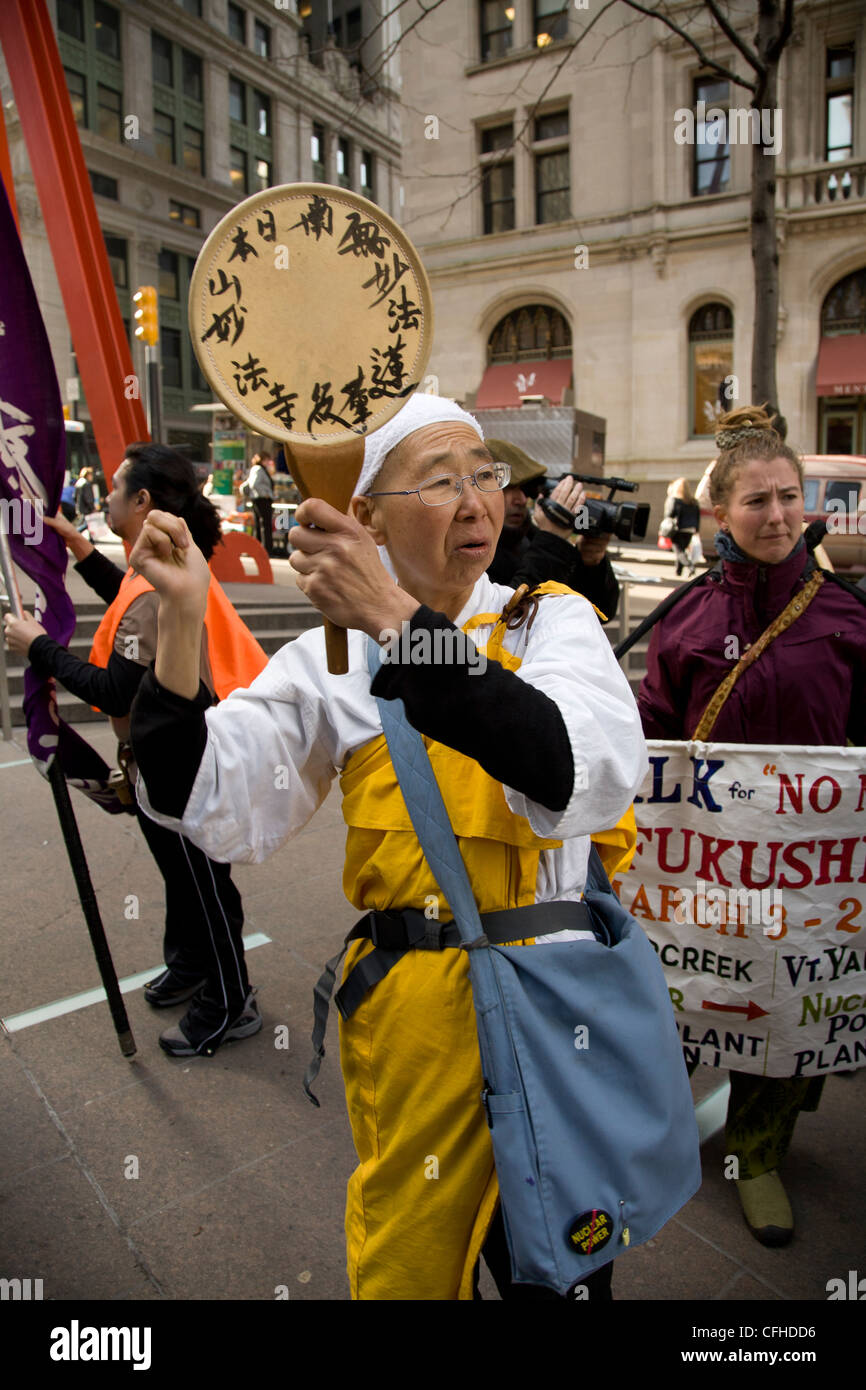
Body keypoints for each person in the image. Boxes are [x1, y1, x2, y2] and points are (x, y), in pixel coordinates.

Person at [127, 393, 647, 1300]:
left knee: (565, 1271)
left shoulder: (548, 619)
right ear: (365, 516)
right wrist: (180, 619)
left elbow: (569, 761)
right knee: (409, 1262)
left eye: (483, 473)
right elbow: (199, 797)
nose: (477, 500)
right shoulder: (330, 668)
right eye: (439, 482)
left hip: (559, 1014)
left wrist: (400, 625)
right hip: (418, 1030)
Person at [637, 405, 866, 1247]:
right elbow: (648, 736)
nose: (776, 517)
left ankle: (758, 1156)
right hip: (699, 873)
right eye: (756, 502)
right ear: (721, 514)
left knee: (785, 1013)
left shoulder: (849, 615)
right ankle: (656, 1138)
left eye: (789, 498)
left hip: (810, 878)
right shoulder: (686, 618)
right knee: (679, 1009)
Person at [3, 443, 268, 1057]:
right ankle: (193, 964)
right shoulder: (155, 566)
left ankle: (231, 1000)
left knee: (204, 885)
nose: (106, 494)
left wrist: (39, 646)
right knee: (187, 879)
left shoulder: (159, 586)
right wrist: (77, 546)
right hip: (165, 757)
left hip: (194, 760)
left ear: (142, 501)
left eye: (117, 486)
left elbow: (111, 689)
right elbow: (123, 592)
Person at [485, 439, 620, 620]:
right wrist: (552, 541)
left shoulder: (531, 537)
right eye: (507, 488)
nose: (521, 499)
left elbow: (597, 613)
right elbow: (504, 618)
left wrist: (590, 565)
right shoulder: (472, 551)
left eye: (524, 488)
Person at [663, 477, 700, 577]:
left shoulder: (675, 500)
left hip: (678, 529)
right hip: (690, 529)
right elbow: (697, 516)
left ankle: (690, 565)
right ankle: (678, 571)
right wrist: (697, 529)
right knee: (681, 550)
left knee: (679, 551)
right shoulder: (693, 501)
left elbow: (669, 514)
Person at [242, 453, 275, 555]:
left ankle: (259, 548)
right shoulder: (258, 469)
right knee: (265, 524)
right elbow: (254, 484)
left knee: (260, 523)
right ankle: (265, 549)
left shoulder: (259, 469)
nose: (268, 462)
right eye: (267, 460)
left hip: (259, 499)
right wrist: (265, 494)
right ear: (263, 460)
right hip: (261, 499)